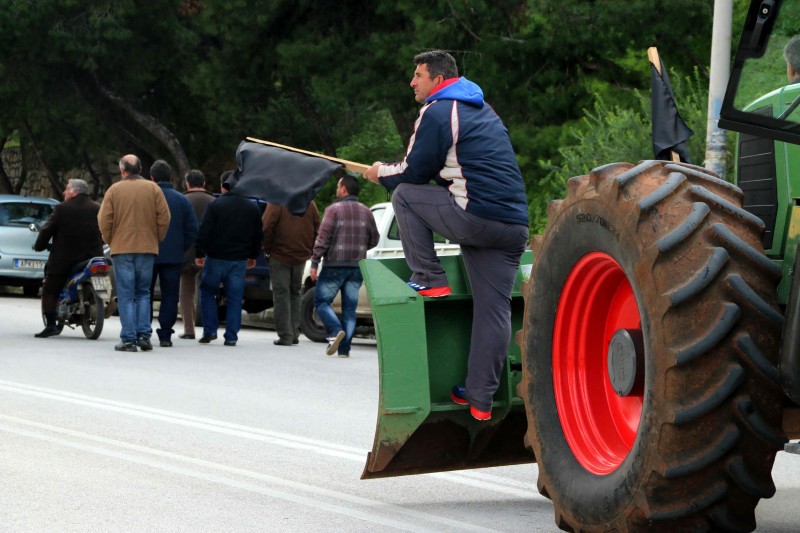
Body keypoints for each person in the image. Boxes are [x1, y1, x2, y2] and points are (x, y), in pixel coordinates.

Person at [363, 50, 529, 421]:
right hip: (513, 227)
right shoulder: (483, 109)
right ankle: (480, 400)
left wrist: (379, 173)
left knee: (403, 196)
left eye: (418, 75)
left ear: (438, 79)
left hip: (475, 217)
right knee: (494, 312)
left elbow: (413, 172)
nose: (412, 82)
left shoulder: (439, 111)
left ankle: (429, 278)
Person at [98, 154, 171, 352]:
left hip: (122, 249)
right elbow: (164, 217)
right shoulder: (153, 188)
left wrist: (109, 239)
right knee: (143, 293)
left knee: (126, 294)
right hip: (147, 248)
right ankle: (144, 336)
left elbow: (104, 220)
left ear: (123, 170)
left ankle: (128, 338)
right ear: (140, 169)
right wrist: (157, 238)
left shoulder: (114, 190)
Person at [309, 175, 378, 358]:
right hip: (356, 267)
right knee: (349, 309)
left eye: (338, 186)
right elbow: (374, 239)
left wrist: (315, 262)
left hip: (334, 265)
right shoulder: (367, 212)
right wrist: (359, 249)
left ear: (344, 189)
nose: (337, 189)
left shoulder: (333, 210)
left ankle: (334, 331)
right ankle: (344, 349)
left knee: (322, 302)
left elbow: (323, 238)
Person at [194, 171, 263, 346]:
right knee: (235, 298)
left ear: (224, 186)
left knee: (208, 292)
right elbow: (257, 236)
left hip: (216, 257)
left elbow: (205, 231)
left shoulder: (215, 205)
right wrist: (253, 255)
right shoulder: (252, 208)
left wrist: (200, 253)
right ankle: (231, 336)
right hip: (239, 260)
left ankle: (210, 330)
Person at [32, 179, 104, 338]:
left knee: (49, 289)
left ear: (75, 192)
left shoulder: (62, 209)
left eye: (66, 190)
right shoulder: (98, 208)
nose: (64, 193)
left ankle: (51, 324)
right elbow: (105, 229)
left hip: (65, 260)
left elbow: (46, 230)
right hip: (94, 256)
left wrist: (39, 246)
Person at [149, 160, 198, 347]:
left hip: (149, 253)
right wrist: (180, 247)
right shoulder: (182, 199)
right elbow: (192, 229)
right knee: (170, 295)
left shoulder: (149, 198)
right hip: (174, 256)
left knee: (145, 293)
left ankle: (144, 331)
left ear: (152, 178)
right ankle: (165, 335)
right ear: (171, 177)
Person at [262, 201, 320, 346]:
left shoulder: (277, 202)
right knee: (295, 293)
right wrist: (309, 249)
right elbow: (317, 228)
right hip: (301, 255)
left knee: (281, 294)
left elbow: (267, 227)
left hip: (280, 254)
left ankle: (285, 335)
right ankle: (294, 332)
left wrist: (267, 249)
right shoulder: (310, 203)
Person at [179, 169, 215, 339]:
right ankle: (210, 329)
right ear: (204, 183)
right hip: (210, 253)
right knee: (208, 291)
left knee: (186, 292)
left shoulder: (182, 200)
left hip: (187, 253)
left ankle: (189, 329)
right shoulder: (214, 201)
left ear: (187, 183)